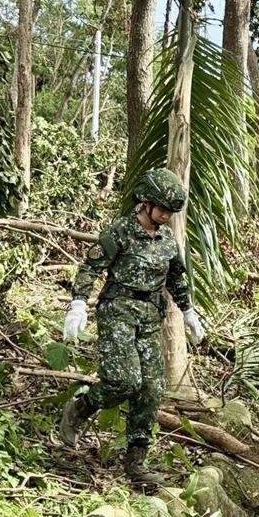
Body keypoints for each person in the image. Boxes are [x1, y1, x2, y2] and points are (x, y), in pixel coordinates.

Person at [58, 168, 206, 486]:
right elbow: (91, 268)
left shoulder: (167, 240)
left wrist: (189, 311)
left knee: (151, 389)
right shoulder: (121, 232)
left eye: (170, 211)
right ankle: (80, 409)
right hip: (118, 311)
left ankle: (136, 464)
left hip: (150, 317)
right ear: (146, 202)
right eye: (162, 209)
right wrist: (79, 303)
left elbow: (176, 278)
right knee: (124, 381)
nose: (165, 216)